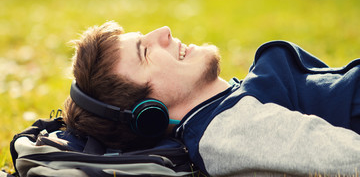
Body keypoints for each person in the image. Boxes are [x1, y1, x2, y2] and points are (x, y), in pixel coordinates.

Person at [64, 21, 360, 176]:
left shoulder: (232, 106)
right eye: (145, 52)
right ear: (149, 113)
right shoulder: (233, 132)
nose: (164, 32)